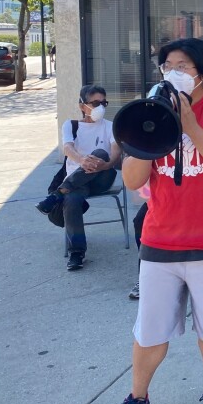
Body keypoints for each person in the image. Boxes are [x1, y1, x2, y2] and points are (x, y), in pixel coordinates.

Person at [100, 38, 203, 404]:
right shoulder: (150, 113)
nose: (173, 71)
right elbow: (132, 180)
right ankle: (137, 397)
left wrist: (192, 127)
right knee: (150, 331)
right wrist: (153, 129)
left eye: (181, 64)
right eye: (166, 65)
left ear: (202, 71)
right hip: (161, 241)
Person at [36, 84, 121, 271]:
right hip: (77, 181)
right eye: (95, 102)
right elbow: (68, 148)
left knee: (101, 152)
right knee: (72, 200)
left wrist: (105, 164)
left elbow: (115, 153)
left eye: (103, 102)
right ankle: (77, 252)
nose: (100, 107)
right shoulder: (71, 125)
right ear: (82, 106)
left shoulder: (110, 126)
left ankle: (58, 194)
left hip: (101, 178)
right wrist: (82, 160)